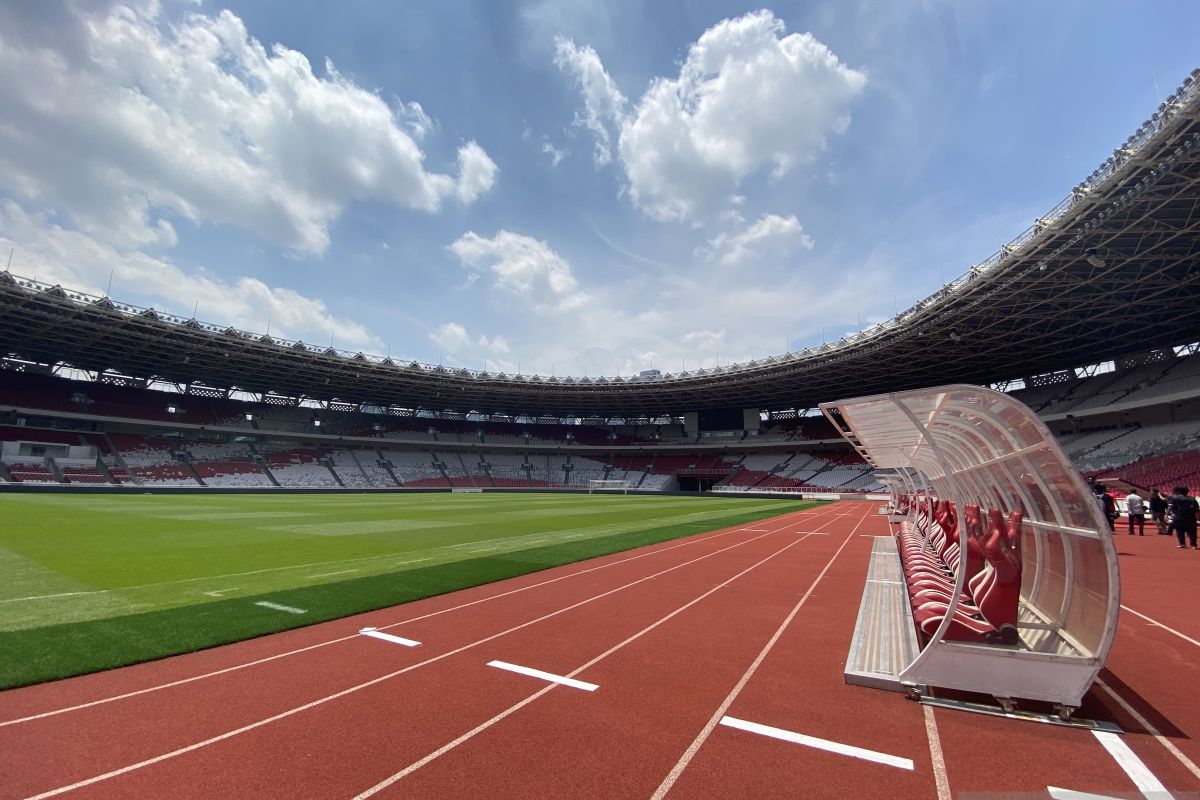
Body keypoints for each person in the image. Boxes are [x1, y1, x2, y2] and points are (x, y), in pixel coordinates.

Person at [1167, 486, 1199, 550]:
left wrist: (1167, 514)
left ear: (1179, 492)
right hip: (1191, 518)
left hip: (1179, 517)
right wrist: (1198, 517)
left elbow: (1170, 507)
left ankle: (1182, 544)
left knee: (1180, 531)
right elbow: (1197, 509)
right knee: (1192, 532)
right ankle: (1193, 545)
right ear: (1187, 492)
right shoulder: (1192, 499)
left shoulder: (1175, 498)